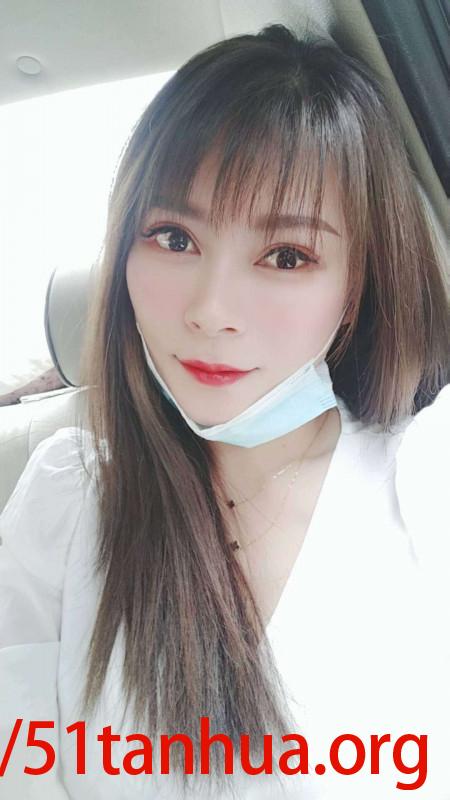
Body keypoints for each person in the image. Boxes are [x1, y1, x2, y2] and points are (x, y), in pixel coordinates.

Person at [0, 22, 449, 800]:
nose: (210, 310)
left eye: (286, 256)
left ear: (356, 288)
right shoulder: (66, 502)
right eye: (173, 238)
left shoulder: (427, 480)